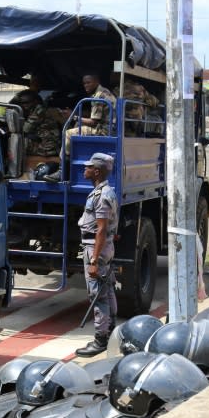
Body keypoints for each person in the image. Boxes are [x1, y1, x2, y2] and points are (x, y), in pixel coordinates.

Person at [74, 152, 118, 357]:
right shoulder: (105, 192)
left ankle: (101, 339)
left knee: (98, 294)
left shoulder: (101, 196)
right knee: (107, 290)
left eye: (88, 167)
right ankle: (110, 332)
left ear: (97, 171)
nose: (85, 169)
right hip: (100, 246)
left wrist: (93, 260)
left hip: (96, 248)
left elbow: (100, 229)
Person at [44, 74, 116, 183]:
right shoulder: (105, 92)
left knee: (68, 133)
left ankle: (61, 171)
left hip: (104, 131)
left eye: (88, 82)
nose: (85, 85)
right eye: (84, 83)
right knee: (78, 127)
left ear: (96, 82)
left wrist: (73, 116)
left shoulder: (98, 96)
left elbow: (93, 122)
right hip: (110, 129)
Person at [12, 89, 64, 157]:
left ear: (35, 101)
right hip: (43, 142)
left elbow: (25, 129)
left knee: (17, 143)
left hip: (48, 147)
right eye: (22, 103)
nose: (24, 105)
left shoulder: (39, 111)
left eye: (27, 102)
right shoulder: (32, 110)